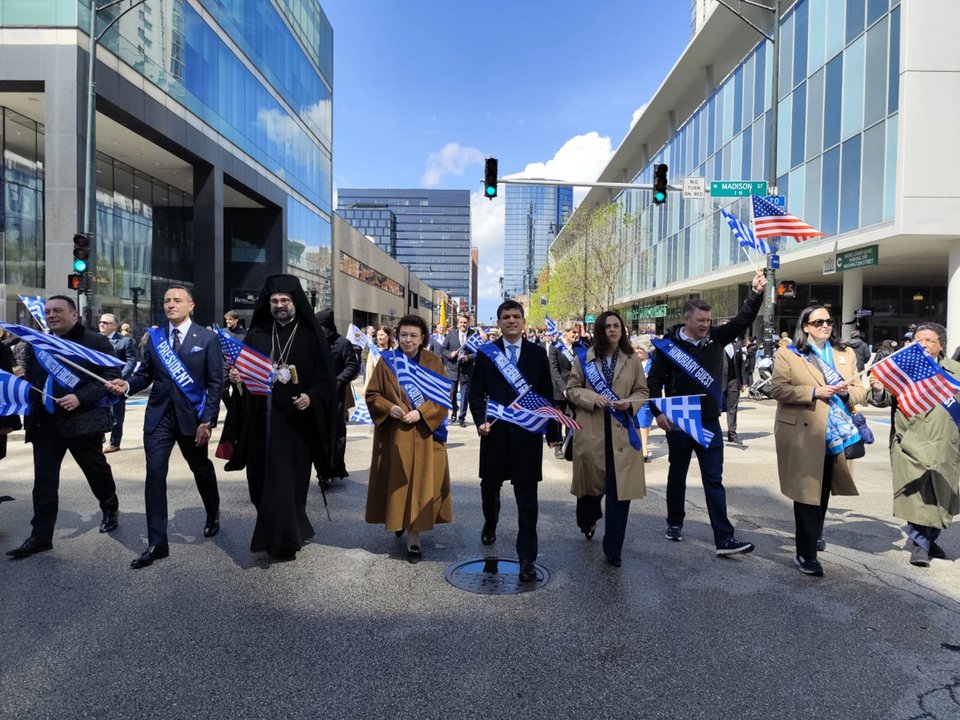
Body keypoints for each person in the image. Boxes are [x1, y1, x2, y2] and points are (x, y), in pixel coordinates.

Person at [646, 269, 767, 556]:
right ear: (685, 320)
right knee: (677, 474)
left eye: (708, 321)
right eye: (700, 321)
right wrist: (657, 412)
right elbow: (654, 383)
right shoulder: (667, 346)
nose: (705, 325)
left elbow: (742, 320)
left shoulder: (716, 338)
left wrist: (756, 294)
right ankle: (675, 521)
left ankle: (724, 538)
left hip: (709, 420)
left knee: (713, 478)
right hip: (677, 421)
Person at [108, 286, 224, 569]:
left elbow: (215, 383)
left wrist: (207, 421)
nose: (171, 305)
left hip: (191, 420)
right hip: (159, 418)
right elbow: (145, 375)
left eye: (177, 300)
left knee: (201, 468)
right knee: (155, 476)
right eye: (167, 301)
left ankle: (213, 511)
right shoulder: (156, 338)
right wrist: (127, 385)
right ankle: (157, 543)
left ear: (191, 306)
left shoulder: (207, 339)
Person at [6, 296, 121, 559]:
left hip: (82, 421)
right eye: (47, 311)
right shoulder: (37, 343)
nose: (51, 315)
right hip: (44, 423)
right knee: (44, 483)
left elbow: (112, 377)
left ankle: (109, 504)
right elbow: (32, 376)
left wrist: (81, 397)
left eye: (58, 310)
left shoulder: (96, 342)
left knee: (96, 470)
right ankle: (40, 537)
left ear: (74, 314)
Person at [231, 276, 336, 560]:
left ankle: (283, 541)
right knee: (259, 483)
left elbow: (327, 381)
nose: (279, 306)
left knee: (287, 485)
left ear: (295, 302)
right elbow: (243, 374)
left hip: (295, 427)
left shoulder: (310, 334)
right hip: (261, 423)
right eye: (274, 301)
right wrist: (237, 379)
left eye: (284, 301)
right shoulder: (258, 333)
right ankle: (292, 526)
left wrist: (311, 396)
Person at [770, 306, 867, 576]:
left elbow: (861, 390)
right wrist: (814, 391)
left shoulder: (845, 353)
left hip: (836, 432)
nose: (825, 326)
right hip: (803, 431)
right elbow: (778, 389)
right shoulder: (789, 353)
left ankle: (814, 534)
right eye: (819, 322)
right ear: (806, 326)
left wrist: (848, 395)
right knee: (806, 492)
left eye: (828, 321)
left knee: (823, 489)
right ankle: (806, 553)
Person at [468, 300, 561, 582]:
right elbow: (475, 393)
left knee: (527, 503)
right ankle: (490, 522)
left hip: (526, 437)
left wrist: (553, 433)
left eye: (516, 316)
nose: (511, 320)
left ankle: (527, 559)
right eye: (506, 317)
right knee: (489, 489)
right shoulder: (487, 354)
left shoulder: (537, 354)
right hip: (494, 434)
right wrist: (480, 420)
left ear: (523, 321)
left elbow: (547, 395)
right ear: (498, 322)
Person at [870, 322, 960, 568]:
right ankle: (920, 544)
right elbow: (880, 399)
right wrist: (878, 389)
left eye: (929, 340)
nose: (923, 344)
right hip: (911, 445)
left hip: (946, 445)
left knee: (941, 497)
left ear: (941, 345)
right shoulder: (903, 368)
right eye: (918, 339)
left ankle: (928, 540)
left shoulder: (955, 370)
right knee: (917, 496)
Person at [364, 315, 452, 562]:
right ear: (397, 336)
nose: (408, 340)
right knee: (399, 483)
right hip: (395, 433)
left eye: (414, 335)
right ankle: (398, 520)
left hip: (425, 433)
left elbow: (442, 399)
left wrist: (421, 412)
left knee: (421, 484)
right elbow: (372, 394)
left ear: (423, 338)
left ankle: (414, 537)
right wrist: (387, 407)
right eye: (404, 335)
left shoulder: (433, 361)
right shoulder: (387, 361)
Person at [566, 311, 649, 567]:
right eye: (607, 326)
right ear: (600, 330)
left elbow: (642, 390)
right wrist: (592, 398)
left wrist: (630, 403)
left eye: (617, 326)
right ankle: (588, 520)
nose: (612, 330)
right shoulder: (585, 357)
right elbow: (571, 389)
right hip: (592, 430)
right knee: (591, 491)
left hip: (622, 434)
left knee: (619, 494)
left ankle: (613, 549)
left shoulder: (632, 360)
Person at [315, 309, 360, 487]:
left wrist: (338, 381)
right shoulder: (315, 342)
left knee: (336, 434)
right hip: (317, 396)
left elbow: (352, 367)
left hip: (336, 397)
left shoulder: (343, 343)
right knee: (319, 434)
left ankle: (333, 468)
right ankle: (322, 470)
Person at [100, 313, 137, 453]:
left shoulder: (124, 341)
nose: (102, 324)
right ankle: (99, 437)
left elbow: (131, 361)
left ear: (114, 326)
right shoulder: (95, 340)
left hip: (117, 384)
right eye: (100, 322)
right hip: (98, 383)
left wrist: (120, 379)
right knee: (98, 411)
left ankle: (114, 443)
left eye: (105, 322)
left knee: (116, 416)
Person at [548, 321, 581, 458]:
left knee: (571, 417)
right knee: (558, 419)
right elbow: (553, 369)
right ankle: (558, 445)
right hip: (558, 389)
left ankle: (568, 445)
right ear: (565, 332)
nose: (576, 335)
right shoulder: (555, 347)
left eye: (578, 332)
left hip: (574, 388)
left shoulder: (578, 347)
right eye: (574, 332)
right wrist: (563, 388)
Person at [440, 314, 477, 427]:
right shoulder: (451, 335)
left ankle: (462, 417)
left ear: (468, 323)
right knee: (452, 393)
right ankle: (454, 411)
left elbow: (478, 352)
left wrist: (469, 357)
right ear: (458, 323)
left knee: (465, 395)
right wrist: (449, 354)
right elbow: (442, 349)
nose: (463, 324)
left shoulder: (474, 336)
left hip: (467, 370)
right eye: (461, 322)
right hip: (452, 369)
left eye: (465, 322)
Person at [632, 335, 655, 462]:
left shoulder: (653, 363)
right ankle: (643, 448)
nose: (638, 351)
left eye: (641, 348)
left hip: (649, 397)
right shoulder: (632, 363)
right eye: (636, 348)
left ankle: (643, 447)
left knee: (645, 422)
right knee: (640, 422)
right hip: (635, 397)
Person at [722, 337, 748, 445]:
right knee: (713, 408)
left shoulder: (737, 346)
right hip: (718, 380)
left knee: (732, 408)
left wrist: (743, 382)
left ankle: (732, 434)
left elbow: (741, 364)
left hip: (734, 380)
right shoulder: (715, 344)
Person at [363, 325, 395, 390]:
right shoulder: (373, 351)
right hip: (377, 387)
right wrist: (366, 387)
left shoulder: (394, 352)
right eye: (378, 335)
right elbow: (369, 371)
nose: (379, 337)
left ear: (388, 336)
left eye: (382, 335)